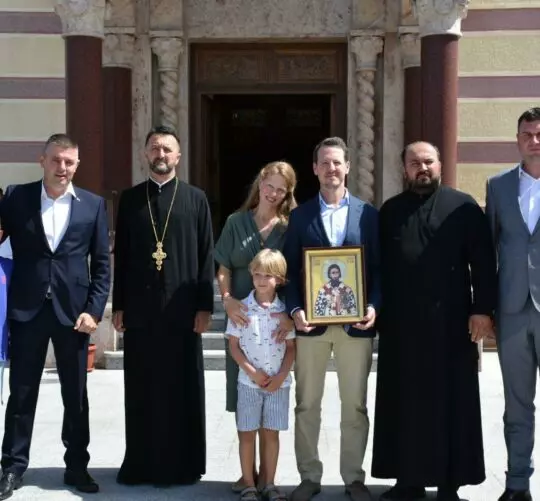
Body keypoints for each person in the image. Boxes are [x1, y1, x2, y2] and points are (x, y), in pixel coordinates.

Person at [372, 141, 497, 501]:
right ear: (404, 169)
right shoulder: (390, 211)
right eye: (414, 163)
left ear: (440, 165)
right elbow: (377, 266)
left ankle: (449, 484)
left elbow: (483, 262)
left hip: (451, 325)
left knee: (451, 404)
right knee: (404, 403)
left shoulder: (464, 207)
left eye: (428, 161)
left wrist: (482, 310)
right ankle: (407, 481)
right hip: (401, 327)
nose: (422, 168)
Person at [0, 133, 111, 498]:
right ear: (42, 161)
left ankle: (77, 466)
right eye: (56, 160)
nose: (62, 167)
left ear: (77, 165)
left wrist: (94, 310)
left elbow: (102, 264)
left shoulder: (93, 205)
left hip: (74, 315)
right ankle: (12, 468)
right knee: (21, 394)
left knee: (75, 396)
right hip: (26, 310)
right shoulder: (16, 197)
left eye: (69, 162)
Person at [111, 125, 214, 486]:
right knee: (142, 387)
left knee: (180, 387)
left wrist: (204, 307)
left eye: (167, 149)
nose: (161, 154)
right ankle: (141, 464)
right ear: (145, 154)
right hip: (141, 310)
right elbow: (122, 256)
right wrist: (119, 305)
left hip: (182, 311)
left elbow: (206, 255)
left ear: (178, 156)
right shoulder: (130, 199)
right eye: (155, 148)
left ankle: (182, 465)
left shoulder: (195, 199)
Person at [283, 136, 381, 501]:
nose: (331, 169)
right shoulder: (300, 217)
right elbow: (289, 271)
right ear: (314, 169)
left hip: (356, 327)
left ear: (348, 167)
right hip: (312, 327)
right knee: (307, 404)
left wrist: (374, 306)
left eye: (337, 162)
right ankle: (309, 476)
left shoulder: (368, 215)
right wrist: (295, 311)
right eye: (324, 163)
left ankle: (353, 477)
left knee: (354, 405)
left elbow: (379, 270)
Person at [214, 161, 297, 492]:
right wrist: (227, 299)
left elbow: (298, 273)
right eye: (269, 186)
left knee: (271, 400)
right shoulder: (236, 222)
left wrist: (292, 314)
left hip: (276, 323)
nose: (273, 194)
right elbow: (223, 266)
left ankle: (267, 476)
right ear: (259, 184)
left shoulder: (289, 228)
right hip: (241, 318)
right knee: (243, 395)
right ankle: (247, 474)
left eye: (281, 190)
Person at [485, 107, 540, 501]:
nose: (534, 141)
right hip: (512, 311)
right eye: (527, 134)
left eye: (539, 134)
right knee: (517, 406)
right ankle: (517, 484)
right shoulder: (499, 186)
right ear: (517, 139)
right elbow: (489, 251)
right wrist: (486, 309)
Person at [226, 249, 296, 501]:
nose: (261, 280)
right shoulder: (241, 308)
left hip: (279, 385)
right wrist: (252, 373)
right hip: (248, 384)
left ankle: (269, 483)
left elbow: (291, 348)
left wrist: (281, 376)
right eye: (257, 274)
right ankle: (248, 484)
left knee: (271, 434)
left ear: (280, 279)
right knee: (247, 434)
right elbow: (233, 346)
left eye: (268, 275)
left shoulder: (286, 313)